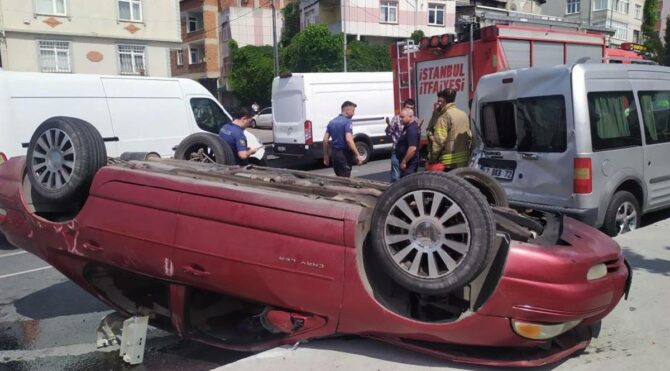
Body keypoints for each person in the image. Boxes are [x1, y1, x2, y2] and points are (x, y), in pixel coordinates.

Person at [426, 88, 472, 171]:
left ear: (444, 101)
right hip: (464, 160)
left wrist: (432, 158)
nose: (438, 104)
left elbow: (439, 141)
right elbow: (469, 136)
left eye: (440, 101)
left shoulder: (444, 116)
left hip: (449, 163)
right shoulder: (464, 114)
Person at [323, 101, 364, 177]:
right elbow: (349, 140)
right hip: (344, 155)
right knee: (345, 180)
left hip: (335, 154)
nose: (354, 113)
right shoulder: (347, 122)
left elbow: (325, 140)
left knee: (339, 177)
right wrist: (357, 155)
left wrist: (326, 156)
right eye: (353, 111)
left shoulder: (331, 122)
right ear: (347, 111)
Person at [385, 99, 419, 182]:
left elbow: (413, 146)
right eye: (408, 107)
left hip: (408, 156)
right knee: (396, 176)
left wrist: (404, 161)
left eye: (412, 108)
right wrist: (388, 125)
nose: (410, 109)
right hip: (397, 150)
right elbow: (389, 132)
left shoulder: (413, 123)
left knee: (406, 180)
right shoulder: (397, 119)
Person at [395, 108, 420, 178]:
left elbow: (412, 148)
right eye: (400, 117)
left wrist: (404, 161)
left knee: (407, 185)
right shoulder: (407, 127)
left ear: (411, 117)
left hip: (410, 165)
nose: (400, 119)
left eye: (402, 117)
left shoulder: (412, 129)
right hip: (406, 164)